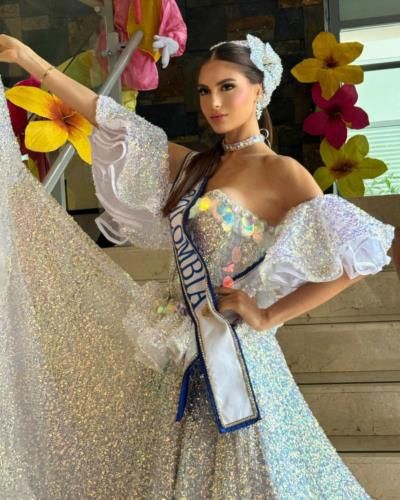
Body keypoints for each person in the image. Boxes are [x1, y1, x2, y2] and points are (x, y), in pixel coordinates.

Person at [0, 32, 395, 499]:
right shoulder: (197, 167)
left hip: (236, 359)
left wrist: (270, 314)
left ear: (259, 90)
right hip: (181, 351)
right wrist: (28, 58)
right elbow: (114, 119)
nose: (214, 102)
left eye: (228, 87)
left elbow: (362, 253)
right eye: (205, 91)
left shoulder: (282, 172)